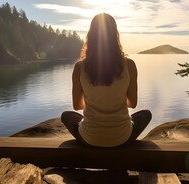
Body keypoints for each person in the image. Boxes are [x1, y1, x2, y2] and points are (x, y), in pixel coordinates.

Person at [61, 13, 151, 147]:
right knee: (146, 115)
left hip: (89, 138)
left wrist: (97, 102)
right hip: (122, 137)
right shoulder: (130, 65)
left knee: (66, 116)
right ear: (115, 35)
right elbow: (132, 103)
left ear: (90, 36)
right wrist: (113, 102)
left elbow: (77, 106)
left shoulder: (79, 67)